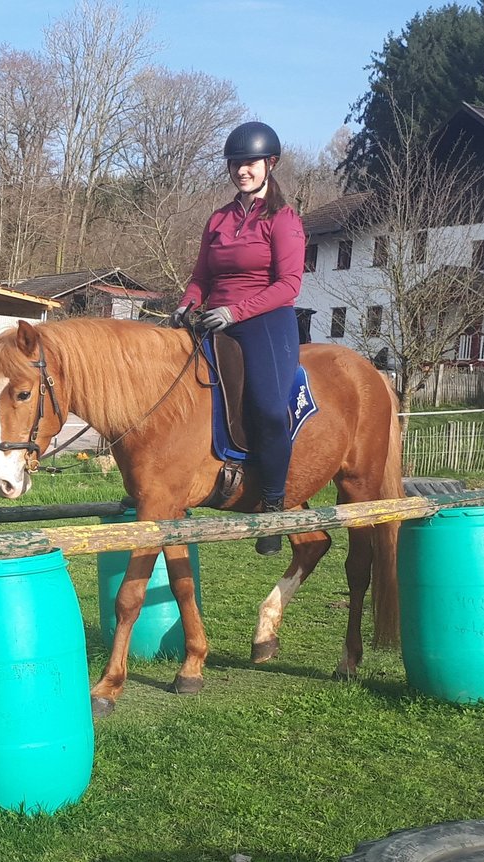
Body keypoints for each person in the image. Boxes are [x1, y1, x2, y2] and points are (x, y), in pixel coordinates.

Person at [172, 121, 306, 555]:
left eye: (249, 163)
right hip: (214, 317)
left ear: (269, 164)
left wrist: (236, 311)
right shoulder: (219, 219)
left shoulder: (283, 219)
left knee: (268, 408)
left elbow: (289, 285)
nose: (241, 171)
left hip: (265, 318)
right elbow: (201, 276)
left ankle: (272, 503)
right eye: (235, 164)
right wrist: (189, 303)